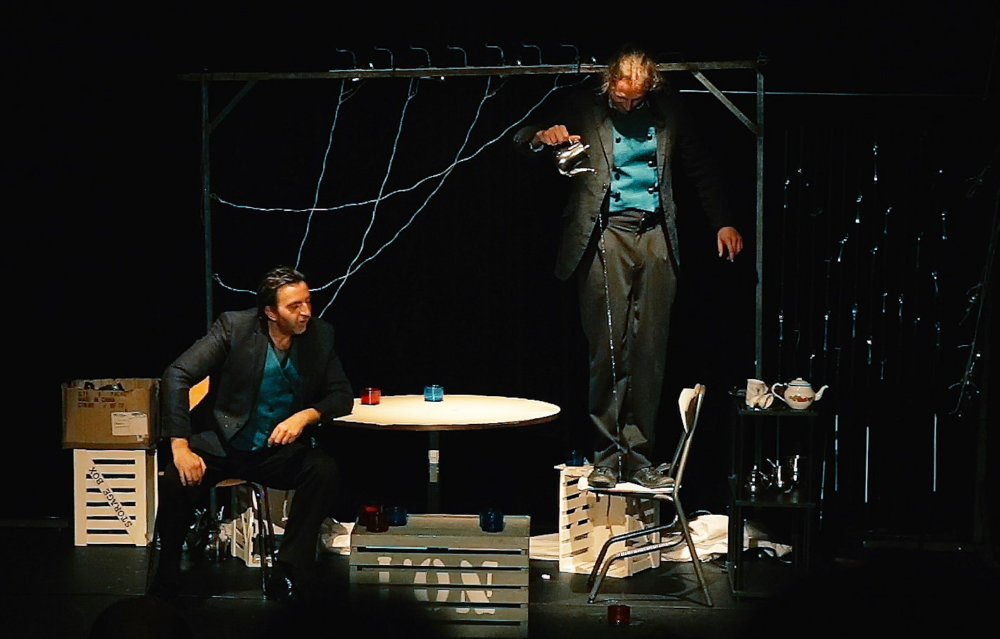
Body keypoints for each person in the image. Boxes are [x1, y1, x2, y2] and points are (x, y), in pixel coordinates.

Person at [513, 47, 743, 489]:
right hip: (606, 233)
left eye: (636, 99)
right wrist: (542, 136)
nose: (628, 105)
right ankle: (606, 456)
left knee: (649, 350)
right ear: (609, 86)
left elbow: (698, 165)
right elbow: (522, 139)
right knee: (609, 348)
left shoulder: (668, 110)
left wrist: (723, 220)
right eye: (621, 98)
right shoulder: (583, 105)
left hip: (655, 233)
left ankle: (639, 457)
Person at [148, 265, 354, 601]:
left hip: (273, 450)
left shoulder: (320, 335)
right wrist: (180, 446)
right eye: (294, 306)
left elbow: (342, 395)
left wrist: (305, 416)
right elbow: (177, 374)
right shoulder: (235, 327)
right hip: (222, 443)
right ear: (270, 312)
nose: (305, 312)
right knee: (176, 478)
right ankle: (167, 574)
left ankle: (287, 569)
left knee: (323, 471)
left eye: (307, 302)